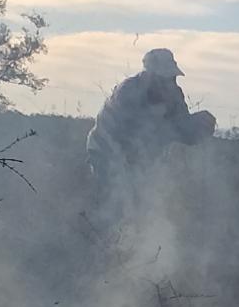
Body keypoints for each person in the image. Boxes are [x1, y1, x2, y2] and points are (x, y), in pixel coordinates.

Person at [86, 48, 216, 205]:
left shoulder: (174, 95)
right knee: (115, 200)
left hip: (140, 159)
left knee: (144, 202)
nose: (170, 82)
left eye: (172, 77)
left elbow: (181, 127)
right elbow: (131, 135)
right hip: (105, 151)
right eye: (165, 78)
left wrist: (199, 125)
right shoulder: (128, 92)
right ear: (151, 76)